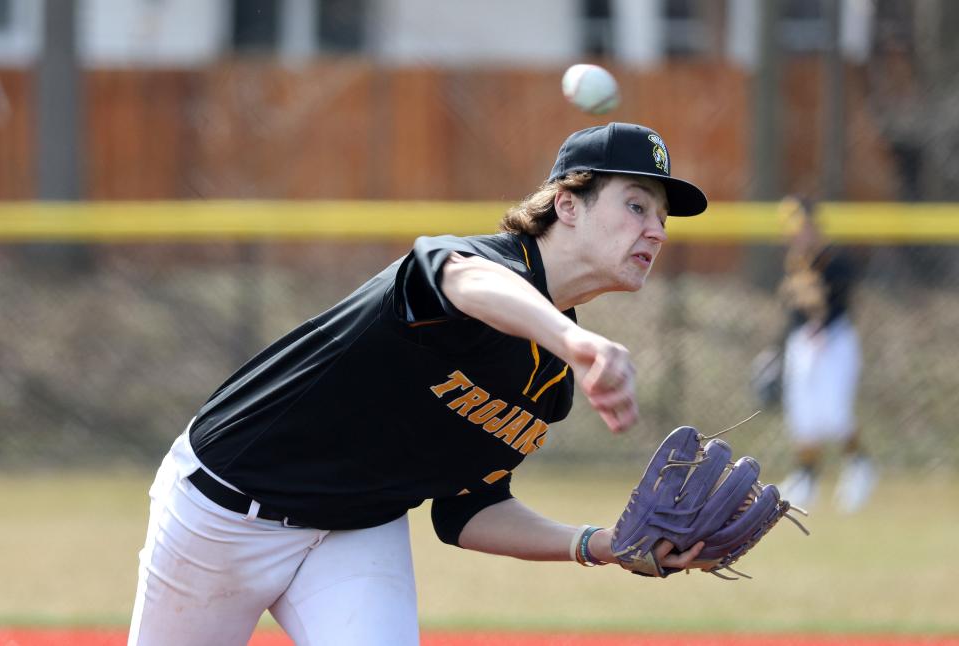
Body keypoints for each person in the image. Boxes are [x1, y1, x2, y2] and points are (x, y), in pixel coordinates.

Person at [128, 122, 710, 646]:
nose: (656, 231)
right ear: (567, 205)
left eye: (661, 218)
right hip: (226, 512)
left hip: (355, 528)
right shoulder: (469, 264)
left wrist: (598, 544)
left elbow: (467, 511)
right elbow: (463, 282)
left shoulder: (549, 384)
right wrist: (577, 341)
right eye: (637, 206)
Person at [775, 196, 875, 513]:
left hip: (835, 340)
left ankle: (860, 467)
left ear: (812, 225)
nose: (796, 233)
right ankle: (806, 477)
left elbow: (841, 300)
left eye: (801, 226)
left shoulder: (834, 260)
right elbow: (792, 314)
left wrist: (822, 325)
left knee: (834, 412)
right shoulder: (794, 262)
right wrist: (775, 351)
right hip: (803, 342)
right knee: (803, 413)